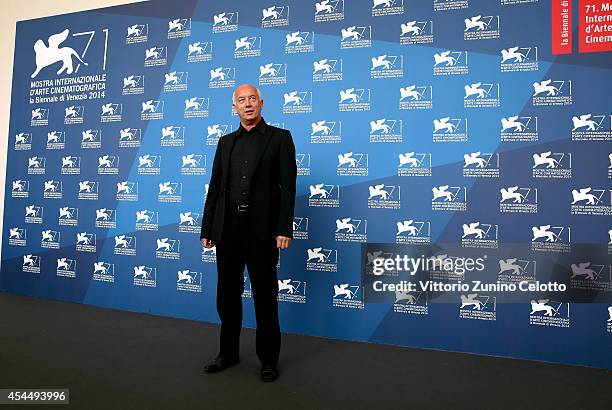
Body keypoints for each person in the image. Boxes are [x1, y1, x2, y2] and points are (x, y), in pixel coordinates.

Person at [200, 84, 296, 382]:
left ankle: (268, 360)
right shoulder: (225, 142)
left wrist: (283, 228)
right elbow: (215, 188)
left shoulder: (280, 138)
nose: (247, 104)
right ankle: (227, 354)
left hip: (262, 232)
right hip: (227, 230)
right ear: (235, 107)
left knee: (265, 297)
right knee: (226, 296)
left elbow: (287, 188)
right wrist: (208, 228)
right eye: (241, 100)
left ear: (261, 103)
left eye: (252, 98)